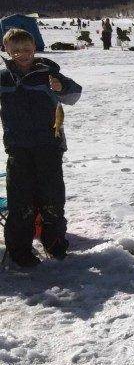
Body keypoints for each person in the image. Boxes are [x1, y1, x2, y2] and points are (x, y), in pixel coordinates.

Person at [0, 29, 82, 267]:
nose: (21, 55)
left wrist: (61, 86)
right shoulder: (3, 79)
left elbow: (74, 94)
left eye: (26, 50)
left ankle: (54, 243)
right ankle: (20, 251)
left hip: (49, 147)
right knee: (20, 201)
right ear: (6, 51)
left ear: (34, 49)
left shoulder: (47, 73)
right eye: (15, 51)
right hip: (18, 148)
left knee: (52, 197)